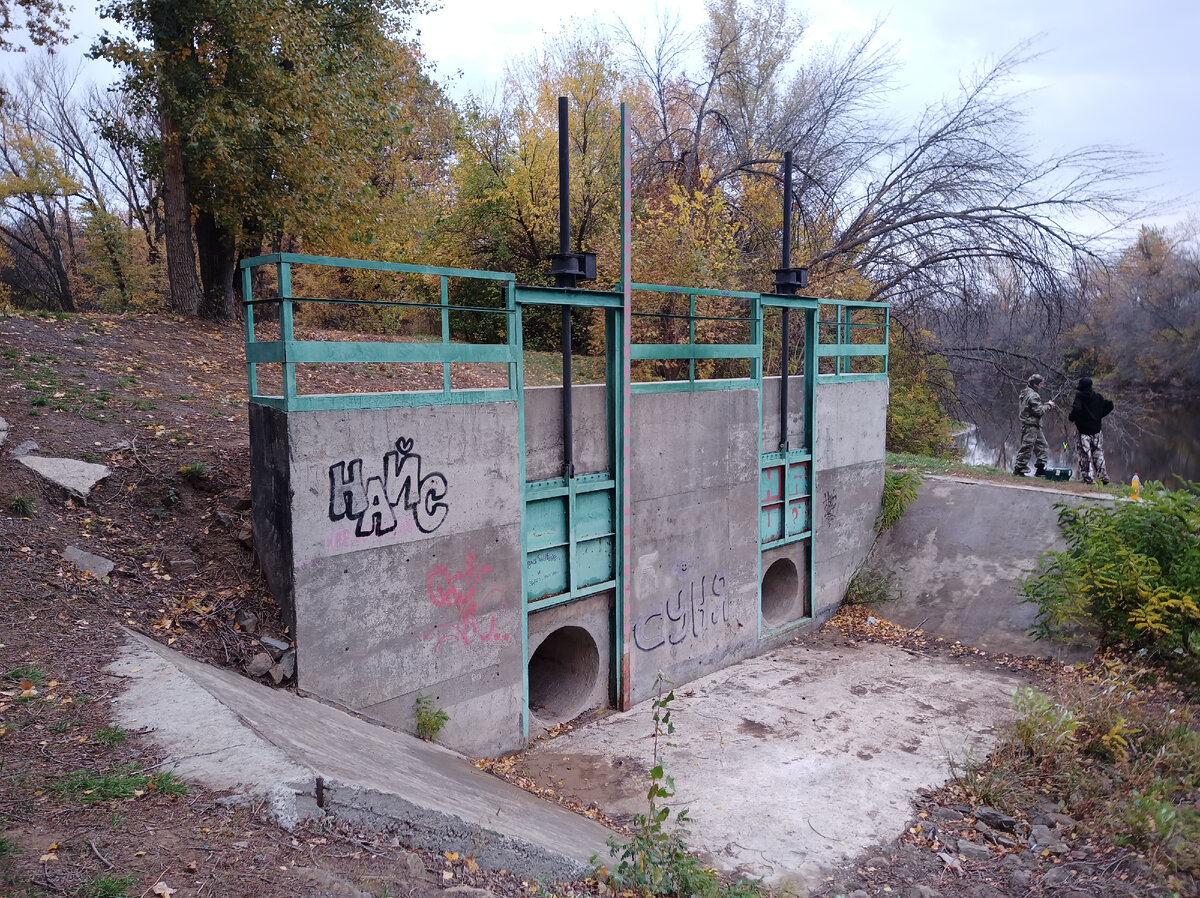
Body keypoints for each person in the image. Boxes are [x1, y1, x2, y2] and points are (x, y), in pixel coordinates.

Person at [1068, 376, 1113, 485]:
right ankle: (1103, 477)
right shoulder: (1097, 397)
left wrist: (1072, 417)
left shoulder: (1079, 396)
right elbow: (1110, 404)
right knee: (1098, 454)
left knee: (1085, 455)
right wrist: (1099, 416)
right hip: (1097, 431)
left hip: (1083, 432)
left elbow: (1077, 410)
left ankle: (1088, 478)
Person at [1013, 373, 1055, 477]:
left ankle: (1040, 470)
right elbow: (1039, 411)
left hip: (1034, 426)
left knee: (1043, 447)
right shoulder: (1033, 395)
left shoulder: (1025, 392)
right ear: (1036, 384)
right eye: (1041, 384)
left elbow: (1034, 408)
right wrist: (1049, 405)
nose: (1042, 386)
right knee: (1027, 447)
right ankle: (1019, 469)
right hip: (1030, 426)